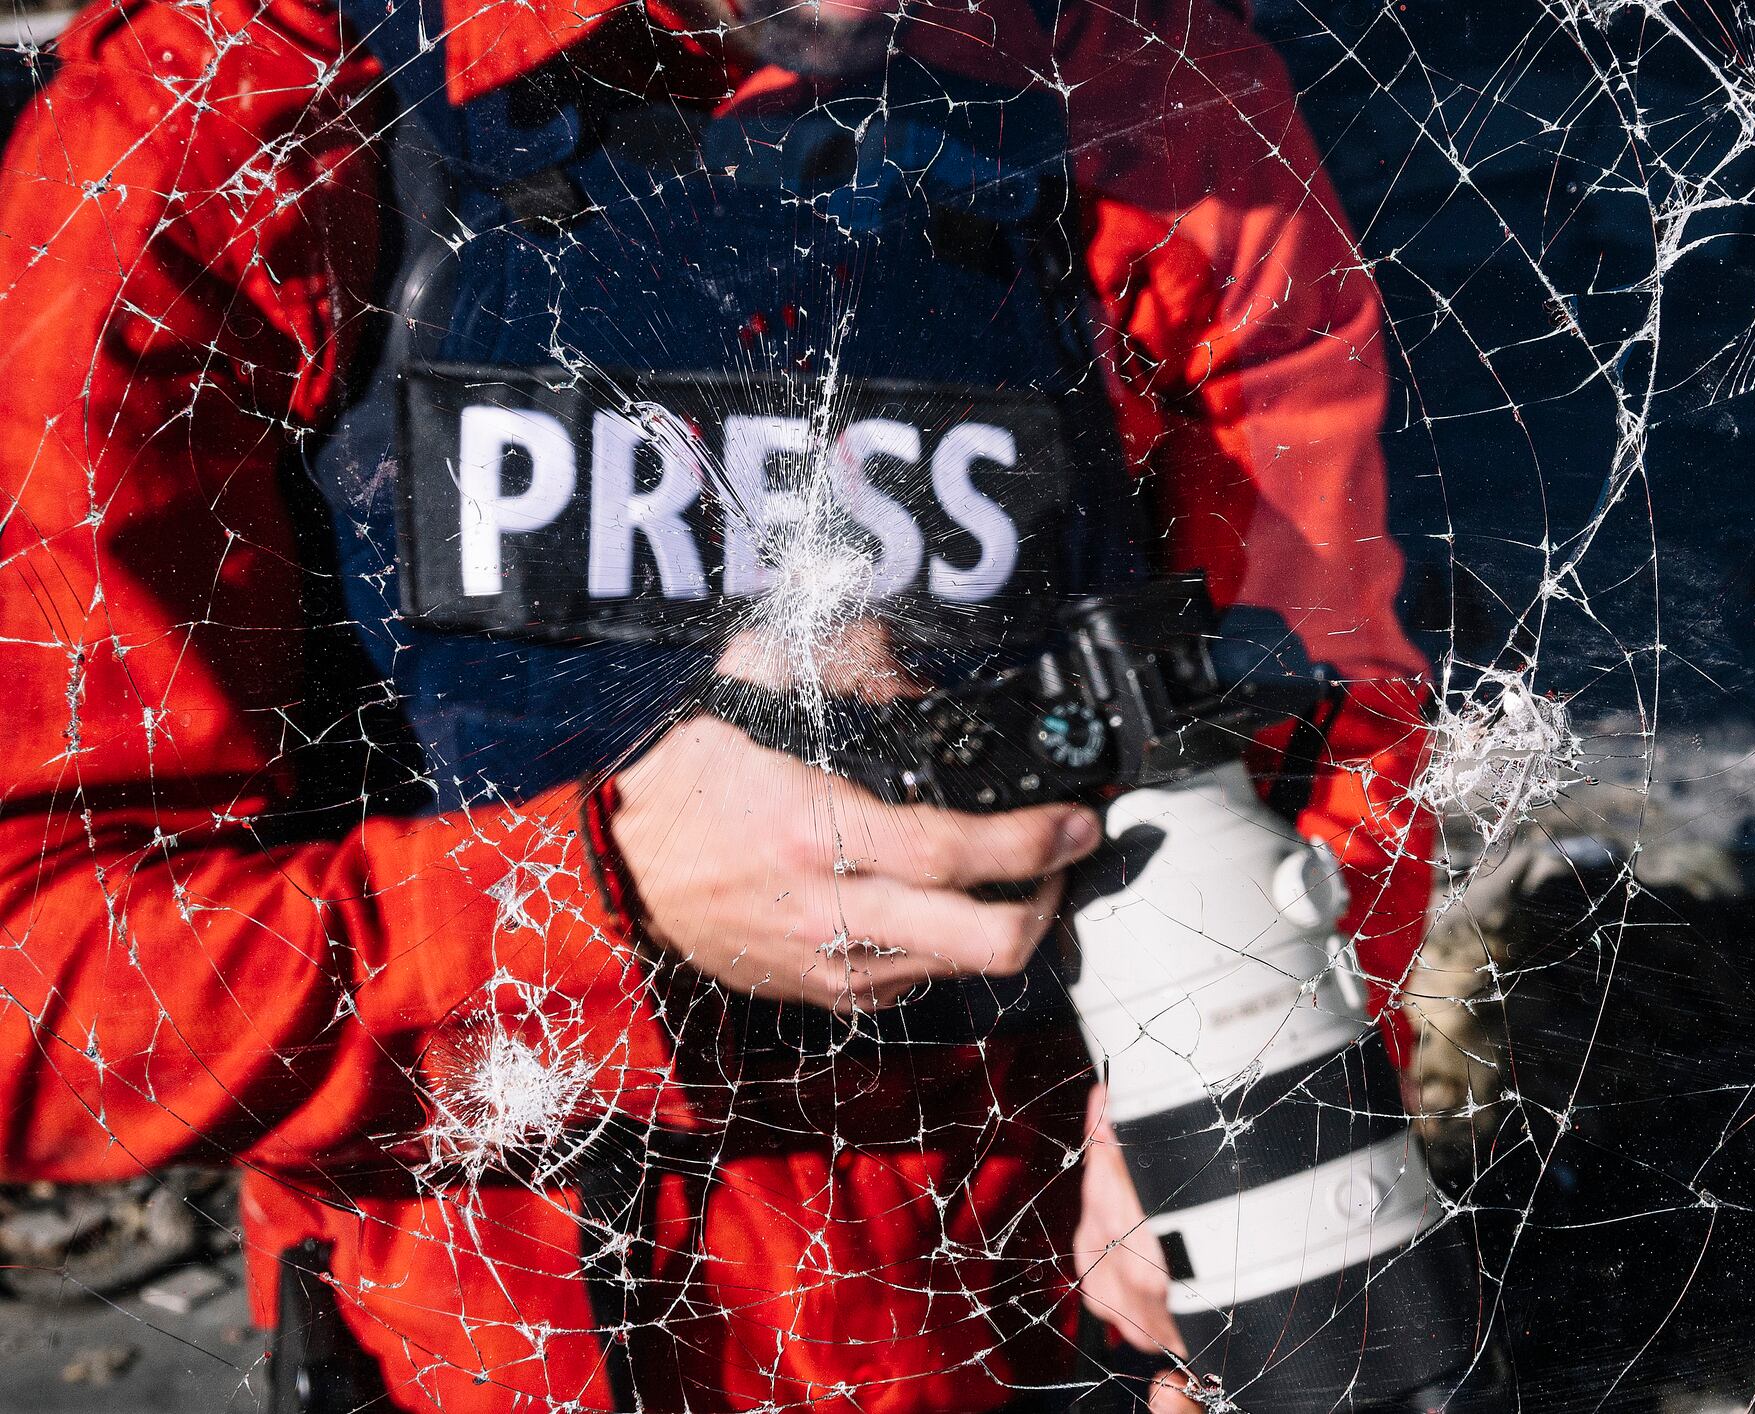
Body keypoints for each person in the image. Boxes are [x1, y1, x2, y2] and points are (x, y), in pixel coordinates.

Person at [0, 0, 1437, 1406]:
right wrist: (594, 900)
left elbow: (1326, 711)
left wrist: (1232, 1103)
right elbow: (33, 994)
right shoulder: (224, 112)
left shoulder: (1142, 88)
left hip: (1046, 1309)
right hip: (494, 1334)